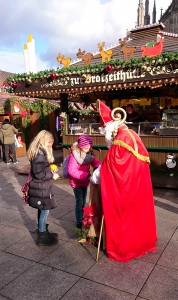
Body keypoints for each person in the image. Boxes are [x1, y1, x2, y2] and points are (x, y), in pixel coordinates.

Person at [98, 100, 157, 262]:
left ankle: (125, 249)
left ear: (111, 128)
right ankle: (142, 244)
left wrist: (98, 172)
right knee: (139, 215)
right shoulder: (132, 134)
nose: (105, 136)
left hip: (125, 187)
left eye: (105, 132)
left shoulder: (119, 141)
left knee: (125, 216)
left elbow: (112, 167)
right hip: (138, 186)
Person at [27, 130, 59, 246]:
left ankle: (43, 230)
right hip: (41, 188)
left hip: (41, 187)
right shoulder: (39, 154)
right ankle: (41, 235)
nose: (50, 145)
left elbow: (40, 169)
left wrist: (50, 169)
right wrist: (52, 175)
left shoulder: (39, 152)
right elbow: (39, 174)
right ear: (43, 140)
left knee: (42, 209)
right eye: (49, 142)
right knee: (45, 210)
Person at [67, 135, 101, 229]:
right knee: (80, 202)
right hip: (76, 183)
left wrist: (97, 168)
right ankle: (79, 221)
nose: (88, 148)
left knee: (83, 201)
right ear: (80, 146)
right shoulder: (74, 155)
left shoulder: (87, 155)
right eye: (86, 147)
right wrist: (85, 175)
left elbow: (96, 162)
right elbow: (71, 170)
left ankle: (82, 219)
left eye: (89, 146)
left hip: (84, 183)